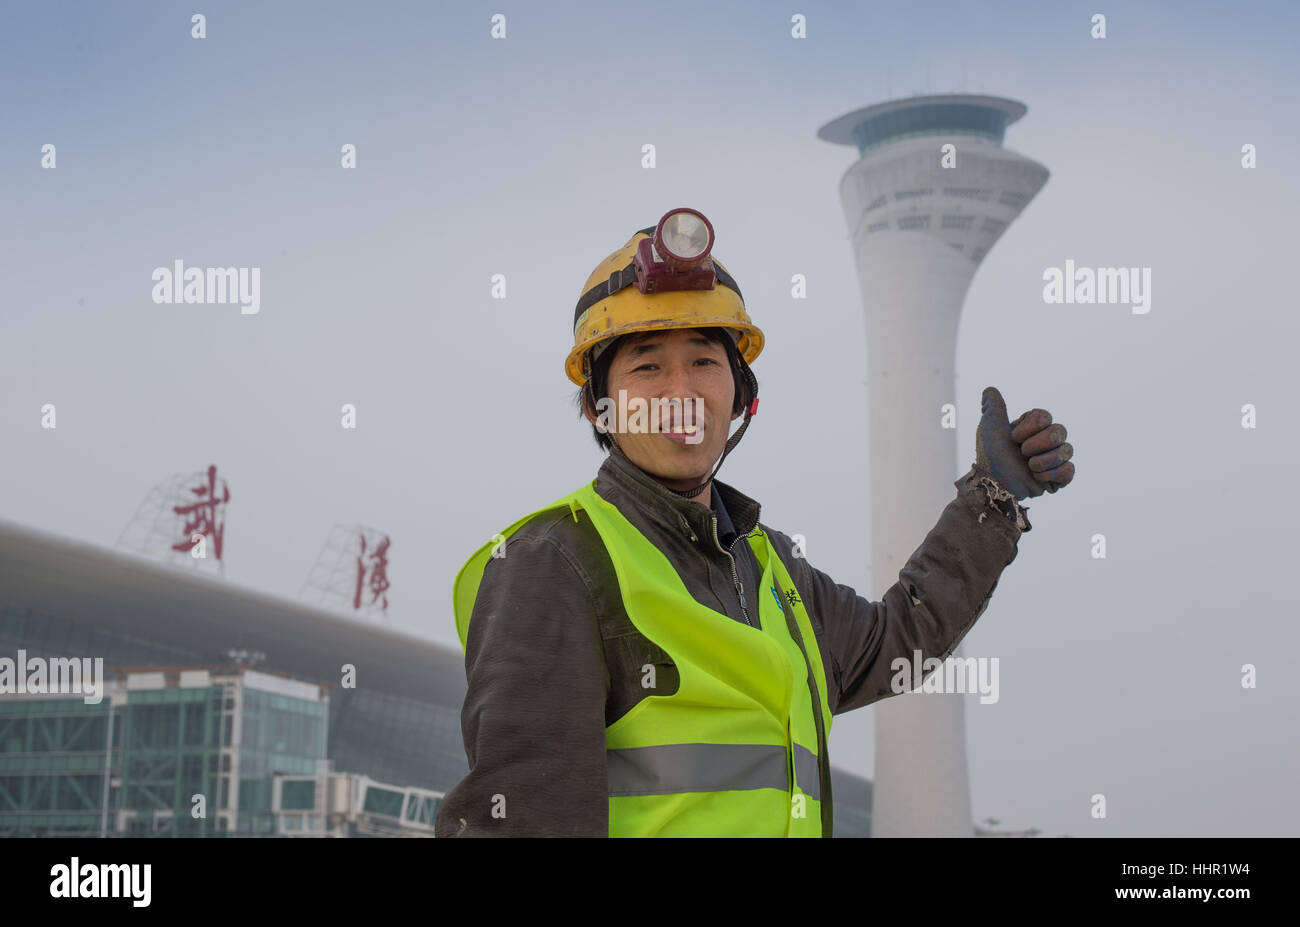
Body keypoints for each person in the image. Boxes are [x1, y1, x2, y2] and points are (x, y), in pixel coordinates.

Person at [434, 208, 1075, 837]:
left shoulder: (769, 567)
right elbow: (521, 825)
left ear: (742, 396)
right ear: (598, 408)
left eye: (705, 362)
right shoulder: (555, 562)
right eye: (646, 365)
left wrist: (990, 502)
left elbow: (895, 642)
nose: (679, 389)